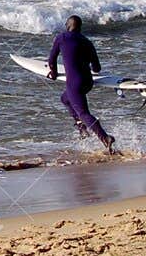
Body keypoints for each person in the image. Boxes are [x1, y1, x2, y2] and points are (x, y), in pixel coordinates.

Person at [47, 15, 115, 154]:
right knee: (65, 99)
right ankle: (82, 128)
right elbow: (97, 68)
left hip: (74, 83)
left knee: (83, 113)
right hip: (87, 82)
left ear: (68, 25)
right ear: (80, 27)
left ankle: (105, 137)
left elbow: (52, 59)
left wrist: (53, 73)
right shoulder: (87, 42)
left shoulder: (62, 37)